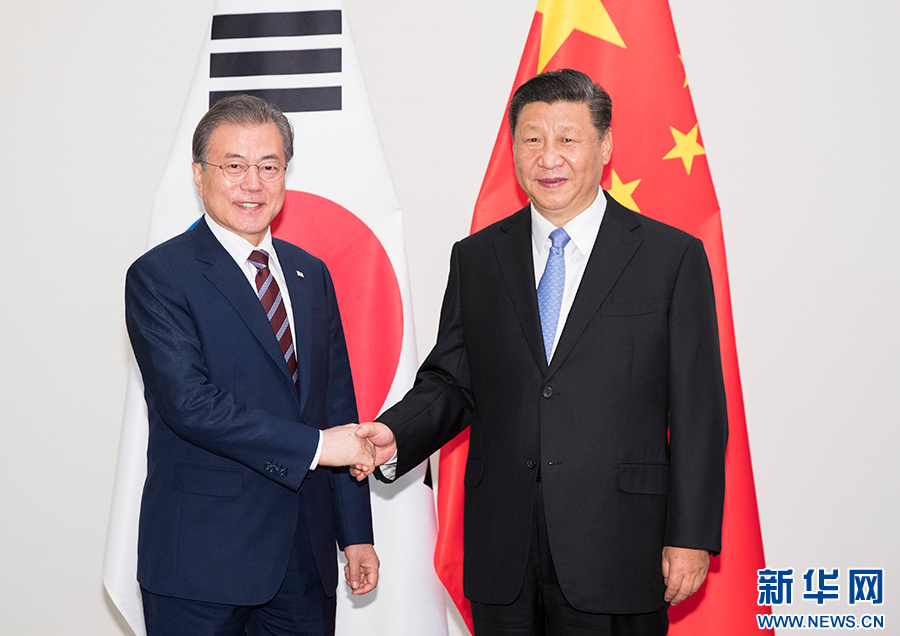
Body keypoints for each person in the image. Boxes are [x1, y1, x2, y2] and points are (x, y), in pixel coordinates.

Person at [354, 69, 727, 635]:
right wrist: (395, 434)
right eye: (532, 139)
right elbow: (452, 381)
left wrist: (691, 534)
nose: (548, 157)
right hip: (504, 549)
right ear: (514, 149)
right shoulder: (478, 258)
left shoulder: (669, 258)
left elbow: (700, 411)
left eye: (567, 139)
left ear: (605, 145)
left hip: (620, 543)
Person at [125, 94, 379, 636]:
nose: (253, 184)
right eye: (234, 166)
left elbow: (336, 404)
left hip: (304, 560)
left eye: (269, 166)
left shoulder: (311, 274)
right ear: (199, 175)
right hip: (201, 562)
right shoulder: (159, 276)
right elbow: (190, 405)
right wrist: (316, 447)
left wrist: (356, 532)